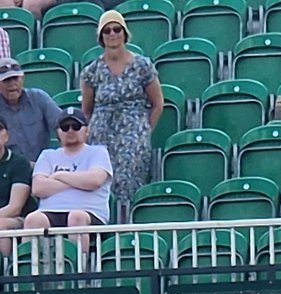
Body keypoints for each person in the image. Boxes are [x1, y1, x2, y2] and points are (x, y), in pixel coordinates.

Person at [81, 11, 162, 211]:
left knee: (129, 181)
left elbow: (158, 103)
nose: (112, 34)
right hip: (102, 135)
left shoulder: (142, 65)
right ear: (101, 37)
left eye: (117, 29)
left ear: (125, 33)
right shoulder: (92, 71)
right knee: (102, 182)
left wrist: (143, 130)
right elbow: (87, 109)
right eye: (107, 31)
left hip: (133, 133)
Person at [25, 107, 112, 249]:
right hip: (51, 211)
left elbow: (95, 180)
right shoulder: (47, 155)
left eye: (76, 126)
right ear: (58, 132)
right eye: (65, 127)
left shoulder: (98, 152)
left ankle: (80, 268)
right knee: (33, 219)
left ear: (86, 130)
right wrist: (79, 180)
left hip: (90, 212)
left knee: (76, 217)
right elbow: (38, 188)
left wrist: (59, 176)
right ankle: (34, 269)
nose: (70, 130)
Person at [0, 57, 64, 161]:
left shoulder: (39, 97)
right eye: (6, 80)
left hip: (43, 164)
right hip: (7, 169)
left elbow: (62, 125)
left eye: (15, 78)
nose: (12, 84)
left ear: (22, 79)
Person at [0, 112, 33, 243]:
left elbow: (15, 207)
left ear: (6, 136)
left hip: (18, 218)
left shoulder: (19, 163)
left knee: (1, 225)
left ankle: (8, 263)